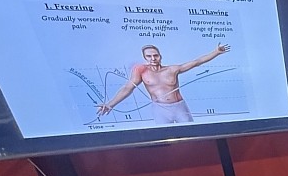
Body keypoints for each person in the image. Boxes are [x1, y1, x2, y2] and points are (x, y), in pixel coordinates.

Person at [96, 43, 230, 124]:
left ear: (160, 56)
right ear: (144, 57)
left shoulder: (172, 69)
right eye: (149, 56)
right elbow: (128, 88)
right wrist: (110, 104)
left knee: (191, 135)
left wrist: (216, 52)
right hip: (160, 109)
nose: (153, 58)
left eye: (155, 55)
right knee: (165, 141)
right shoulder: (141, 70)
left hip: (179, 107)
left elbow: (196, 62)